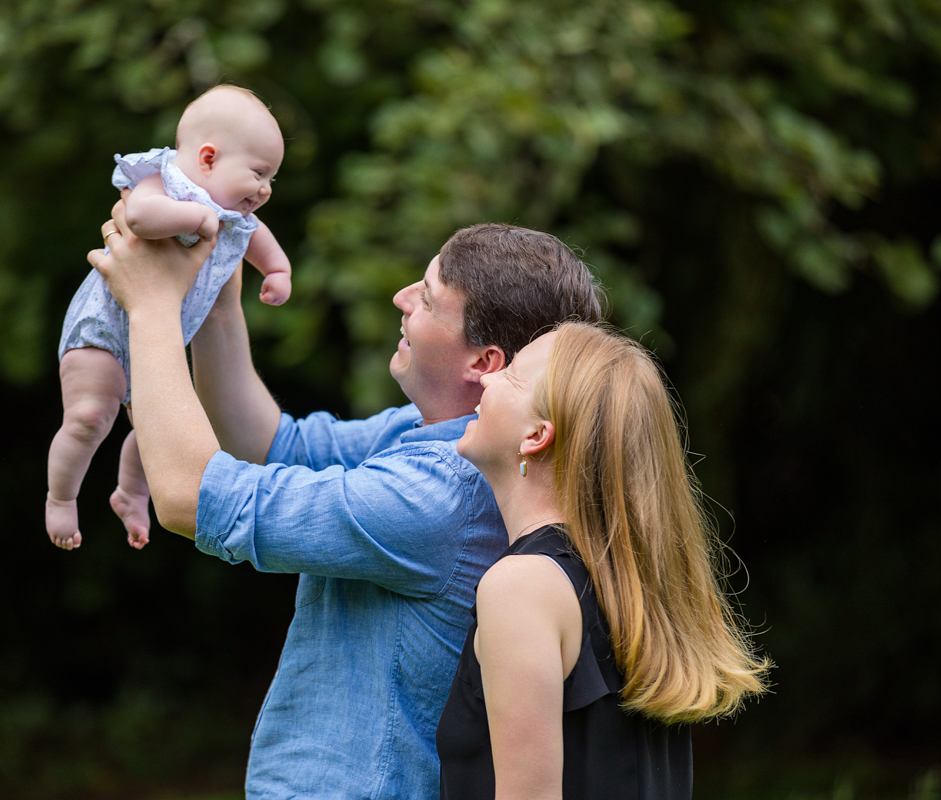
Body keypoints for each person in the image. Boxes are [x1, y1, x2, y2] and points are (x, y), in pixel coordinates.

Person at [87, 213, 604, 799]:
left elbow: (188, 496)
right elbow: (268, 446)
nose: (401, 298)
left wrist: (152, 307)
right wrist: (218, 293)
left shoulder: (440, 492)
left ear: (483, 364)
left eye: (429, 299)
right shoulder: (443, 436)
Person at [436, 321, 772, 799]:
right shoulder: (631, 588)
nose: (486, 378)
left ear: (537, 435)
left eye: (511, 374)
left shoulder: (521, 588)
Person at [47, 85, 291, 551]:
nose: (264, 189)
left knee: (162, 433)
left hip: (156, 339)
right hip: (103, 329)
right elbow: (137, 216)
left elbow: (264, 244)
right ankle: (61, 497)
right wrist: (196, 217)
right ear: (207, 158)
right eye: (259, 173)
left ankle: (131, 493)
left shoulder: (238, 216)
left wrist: (278, 271)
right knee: (88, 416)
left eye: (272, 180)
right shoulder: (166, 179)